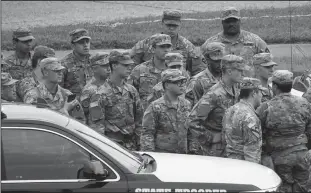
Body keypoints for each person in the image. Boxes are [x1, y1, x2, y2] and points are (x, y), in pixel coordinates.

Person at [256, 70, 311, 192]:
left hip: (279, 156)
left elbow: (258, 132)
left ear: (275, 86)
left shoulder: (266, 106)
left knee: (283, 187)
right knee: (302, 188)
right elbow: (309, 129)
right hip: (302, 154)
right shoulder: (304, 103)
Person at [186, 55, 246, 157]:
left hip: (232, 147)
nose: (242, 74)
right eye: (239, 71)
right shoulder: (215, 94)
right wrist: (210, 138)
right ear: (229, 71)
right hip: (216, 151)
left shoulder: (236, 90)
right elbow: (192, 120)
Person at [89, 50, 143, 150]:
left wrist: (140, 144)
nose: (129, 68)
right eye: (125, 65)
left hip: (132, 145)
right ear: (114, 66)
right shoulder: (100, 94)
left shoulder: (132, 90)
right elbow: (97, 127)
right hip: (112, 146)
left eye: (130, 65)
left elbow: (139, 120)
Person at [130, 10, 206, 76]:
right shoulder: (146, 44)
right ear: (162, 23)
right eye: (168, 25)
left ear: (180, 25)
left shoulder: (188, 47)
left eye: (174, 26)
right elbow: (130, 67)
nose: (171, 28)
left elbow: (199, 72)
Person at [201, 7, 270, 77]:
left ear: (239, 21)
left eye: (234, 21)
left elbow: (267, 63)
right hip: (221, 86)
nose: (231, 24)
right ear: (222, 22)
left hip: (248, 85)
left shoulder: (255, 41)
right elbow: (201, 66)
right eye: (228, 21)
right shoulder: (211, 44)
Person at [140, 69, 191, 153]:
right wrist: (150, 155)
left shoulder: (186, 104)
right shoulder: (155, 107)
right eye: (178, 82)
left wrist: (193, 151)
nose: (182, 85)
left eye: (183, 82)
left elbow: (191, 131)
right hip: (163, 156)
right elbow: (147, 134)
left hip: (183, 156)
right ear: (167, 85)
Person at [24, 57, 86, 123]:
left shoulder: (67, 95)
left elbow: (80, 122)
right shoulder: (33, 96)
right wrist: (64, 110)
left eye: (61, 71)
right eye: (56, 71)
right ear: (45, 72)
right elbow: (31, 122)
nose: (60, 73)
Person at [223, 77, 264, 163]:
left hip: (229, 161)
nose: (262, 96)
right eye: (261, 92)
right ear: (254, 93)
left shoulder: (230, 110)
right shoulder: (250, 117)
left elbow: (224, 138)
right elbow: (252, 151)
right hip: (244, 165)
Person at [128, 34, 171, 111]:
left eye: (168, 47)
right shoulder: (140, 70)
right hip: (146, 116)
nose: (166, 50)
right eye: (162, 47)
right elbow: (129, 96)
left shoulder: (176, 71)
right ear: (153, 49)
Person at [186, 42, 224, 107]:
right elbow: (190, 107)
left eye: (222, 61)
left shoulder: (229, 78)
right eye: (216, 61)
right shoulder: (197, 82)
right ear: (206, 60)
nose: (220, 64)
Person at [60, 28, 93, 99]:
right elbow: (58, 89)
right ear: (73, 46)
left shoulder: (94, 61)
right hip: (74, 105)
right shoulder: (64, 64)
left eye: (87, 42)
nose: (85, 45)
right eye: (81, 42)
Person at [80, 52, 111, 125]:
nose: (109, 69)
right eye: (104, 66)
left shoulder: (111, 84)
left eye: (109, 65)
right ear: (94, 69)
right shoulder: (89, 91)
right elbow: (91, 118)